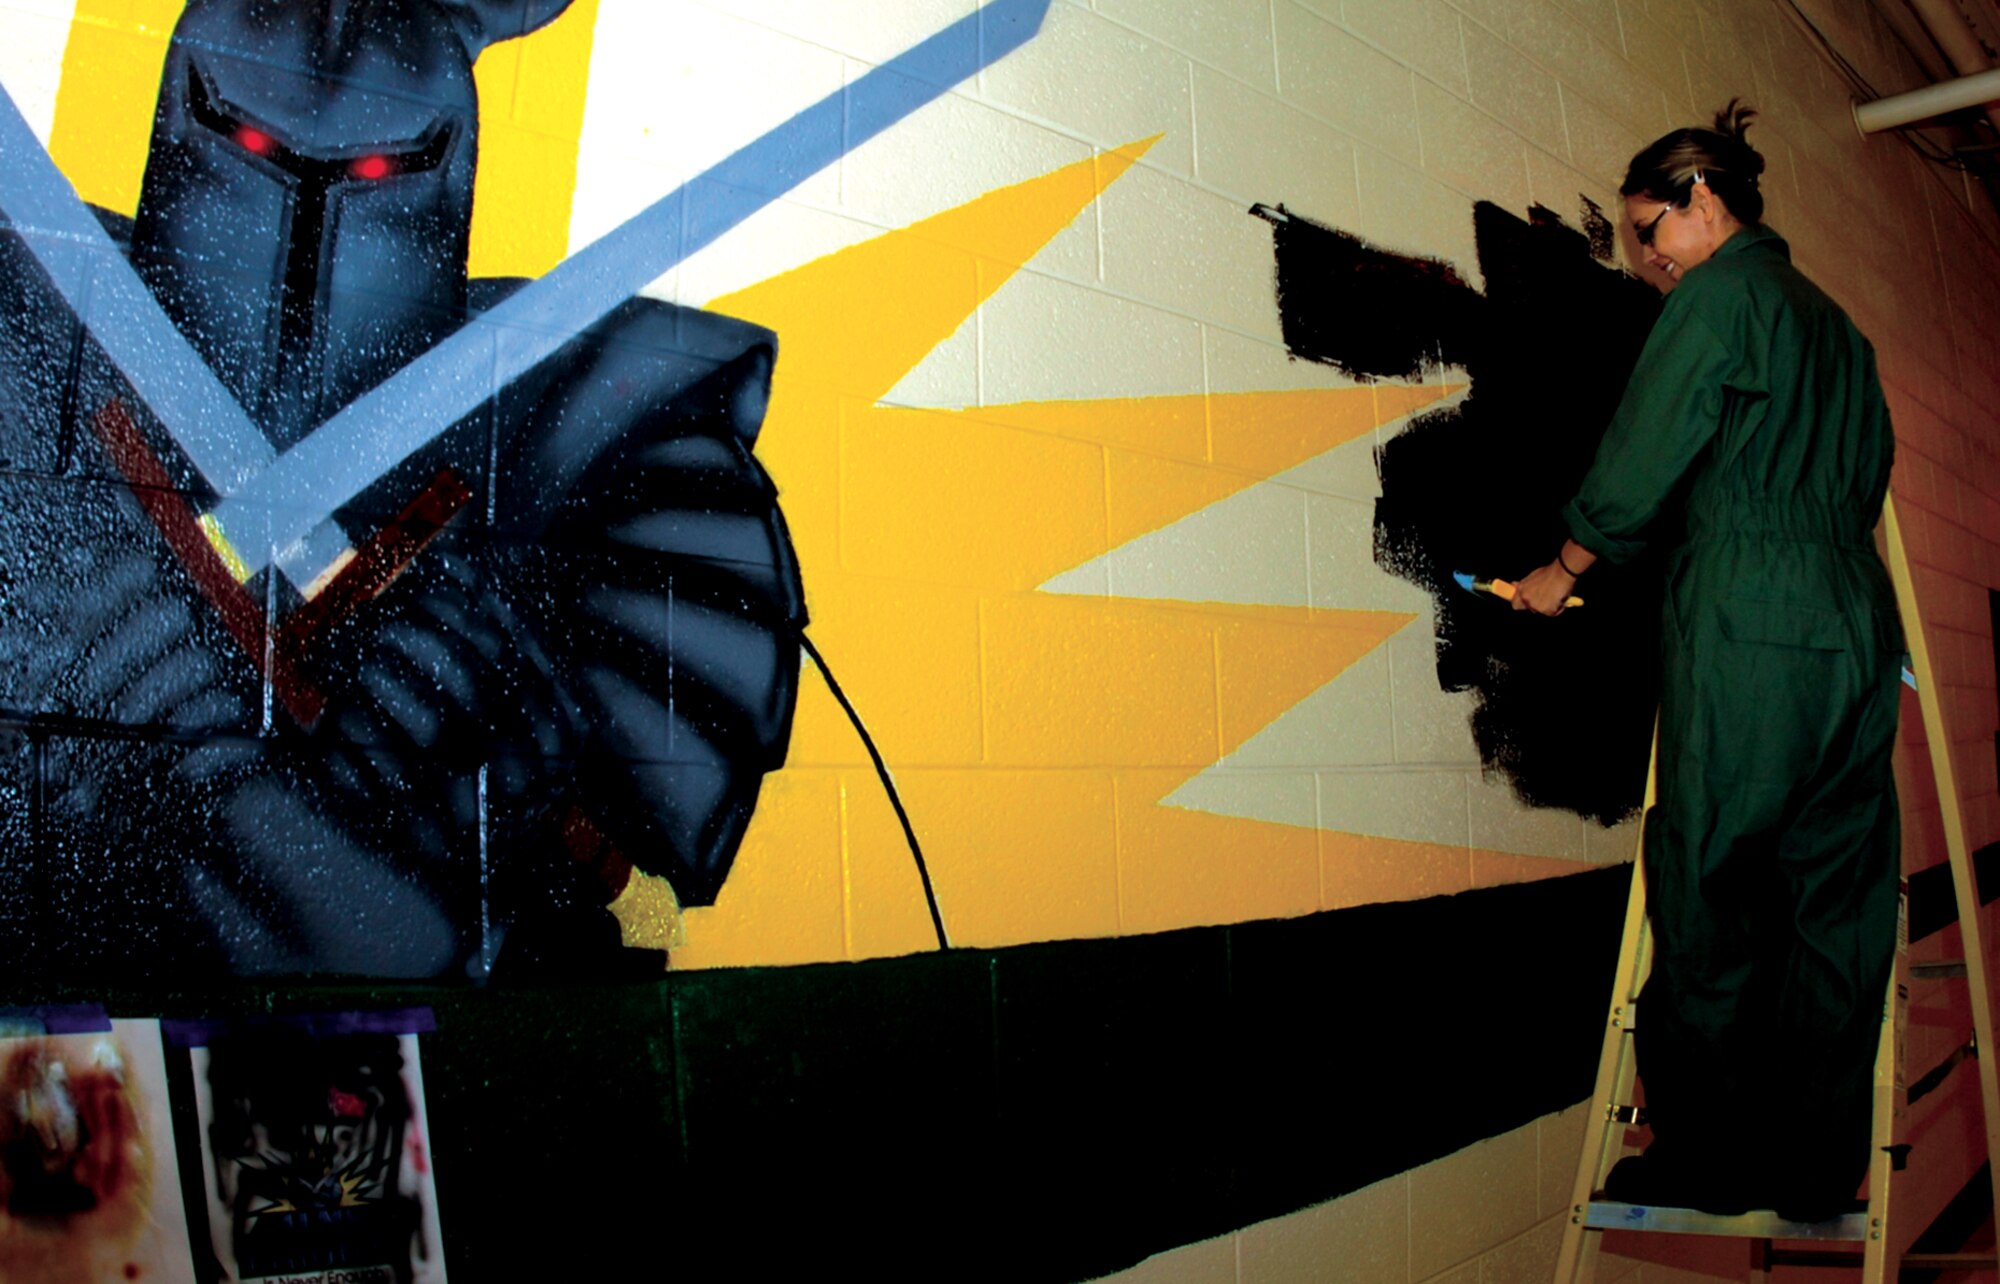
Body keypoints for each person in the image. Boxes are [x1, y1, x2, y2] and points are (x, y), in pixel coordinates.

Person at [1513, 101, 1904, 1221]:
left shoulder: (1723, 293)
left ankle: (1708, 1156)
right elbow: (1863, 472)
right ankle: (1817, 1164)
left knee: (1707, 879)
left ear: (1701, 199)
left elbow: (1648, 447)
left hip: (1752, 610)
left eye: (1650, 231)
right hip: (1848, 616)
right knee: (1831, 896)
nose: (1645, 260)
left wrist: (1563, 565)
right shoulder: (1837, 328)